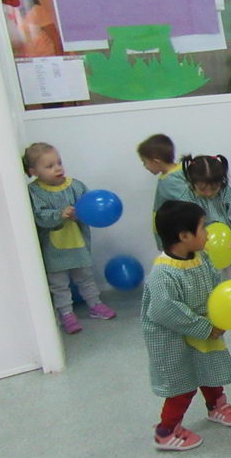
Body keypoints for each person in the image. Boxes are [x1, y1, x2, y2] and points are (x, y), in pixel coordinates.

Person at [142, 200, 231, 451]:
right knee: (182, 384)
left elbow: (213, 285)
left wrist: (221, 314)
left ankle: (215, 405)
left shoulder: (201, 257)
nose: (208, 233)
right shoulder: (163, 273)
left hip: (204, 327)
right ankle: (166, 431)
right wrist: (205, 327)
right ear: (184, 236)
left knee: (209, 366)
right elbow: (166, 310)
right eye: (202, 228)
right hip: (173, 338)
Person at [23, 142, 116, 334]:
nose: (57, 168)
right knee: (59, 285)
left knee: (86, 278)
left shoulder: (76, 186)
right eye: (49, 166)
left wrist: (79, 214)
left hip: (77, 244)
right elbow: (39, 216)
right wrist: (59, 214)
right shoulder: (34, 192)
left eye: (59, 163)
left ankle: (95, 304)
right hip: (53, 249)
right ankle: (65, 313)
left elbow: (91, 208)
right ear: (33, 171)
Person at [182, 154, 231, 279]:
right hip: (202, 246)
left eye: (214, 188)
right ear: (191, 182)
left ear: (222, 181)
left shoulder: (225, 192)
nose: (208, 193)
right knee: (206, 278)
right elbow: (185, 222)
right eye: (202, 189)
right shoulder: (187, 197)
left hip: (229, 243)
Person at [137, 133, 191, 250]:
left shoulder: (169, 181)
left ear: (156, 161)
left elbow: (189, 204)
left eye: (144, 162)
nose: (144, 166)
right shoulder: (179, 170)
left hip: (175, 239)